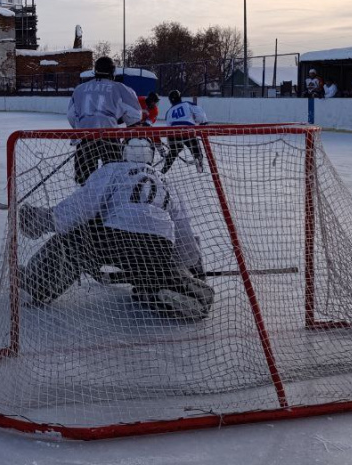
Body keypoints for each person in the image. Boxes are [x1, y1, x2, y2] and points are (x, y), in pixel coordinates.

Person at [19, 137, 213, 321]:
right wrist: (192, 264)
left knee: (73, 241)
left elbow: (84, 205)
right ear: (151, 155)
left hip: (117, 238)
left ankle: (37, 283)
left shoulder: (114, 169)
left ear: (124, 151)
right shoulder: (165, 181)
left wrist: (47, 219)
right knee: (154, 270)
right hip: (159, 246)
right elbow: (182, 226)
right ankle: (163, 288)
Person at [67, 56, 143, 185]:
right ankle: (111, 202)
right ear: (112, 71)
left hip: (84, 138)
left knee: (84, 180)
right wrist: (118, 119)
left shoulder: (80, 89)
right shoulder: (119, 88)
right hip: (109, 136)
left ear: (95, 70)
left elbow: (71, 115)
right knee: (114, 175)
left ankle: (86, 202)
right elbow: (135, 116)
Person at [160, 90, 207, 174]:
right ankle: (198, 158)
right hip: (187, 130)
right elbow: (200, 116)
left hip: (174, 133)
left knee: (173, 153)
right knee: (195, 148)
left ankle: (163, 170)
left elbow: (168, 126)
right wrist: (202, 122)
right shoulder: (187, 104)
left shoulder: (169, 111)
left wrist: (171, 144)